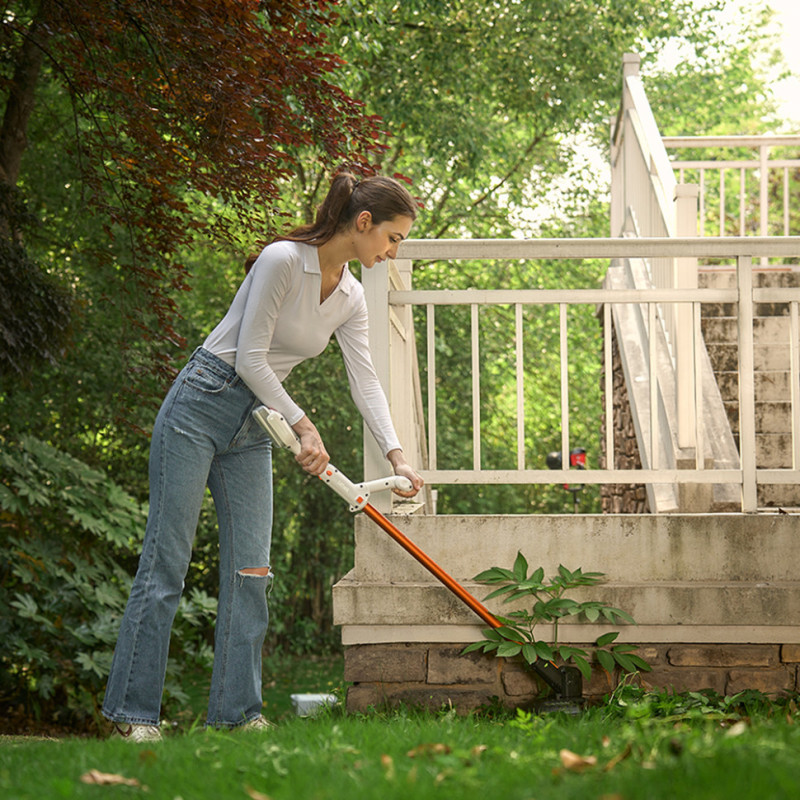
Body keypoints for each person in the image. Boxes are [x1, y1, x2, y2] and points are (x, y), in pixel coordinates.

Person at [101, 172, 424, 742]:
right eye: (393, 237)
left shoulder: (349, 296)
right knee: (166, 562)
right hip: (201, 402)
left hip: (255, 424)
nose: (394, 251)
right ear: (364, 223)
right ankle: (133, 715)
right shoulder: (282, 260)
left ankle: (236, 713)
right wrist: (304, 425)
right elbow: (249, 358)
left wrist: (397, 455)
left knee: (252, 571)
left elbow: (365, 380)